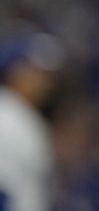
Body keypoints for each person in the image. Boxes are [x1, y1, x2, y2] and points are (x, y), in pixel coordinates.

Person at [0, 23, 64, 211]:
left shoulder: (20, 116)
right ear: (14, 71)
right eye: (35, 71)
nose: (45, 82)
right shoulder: (11, 118)